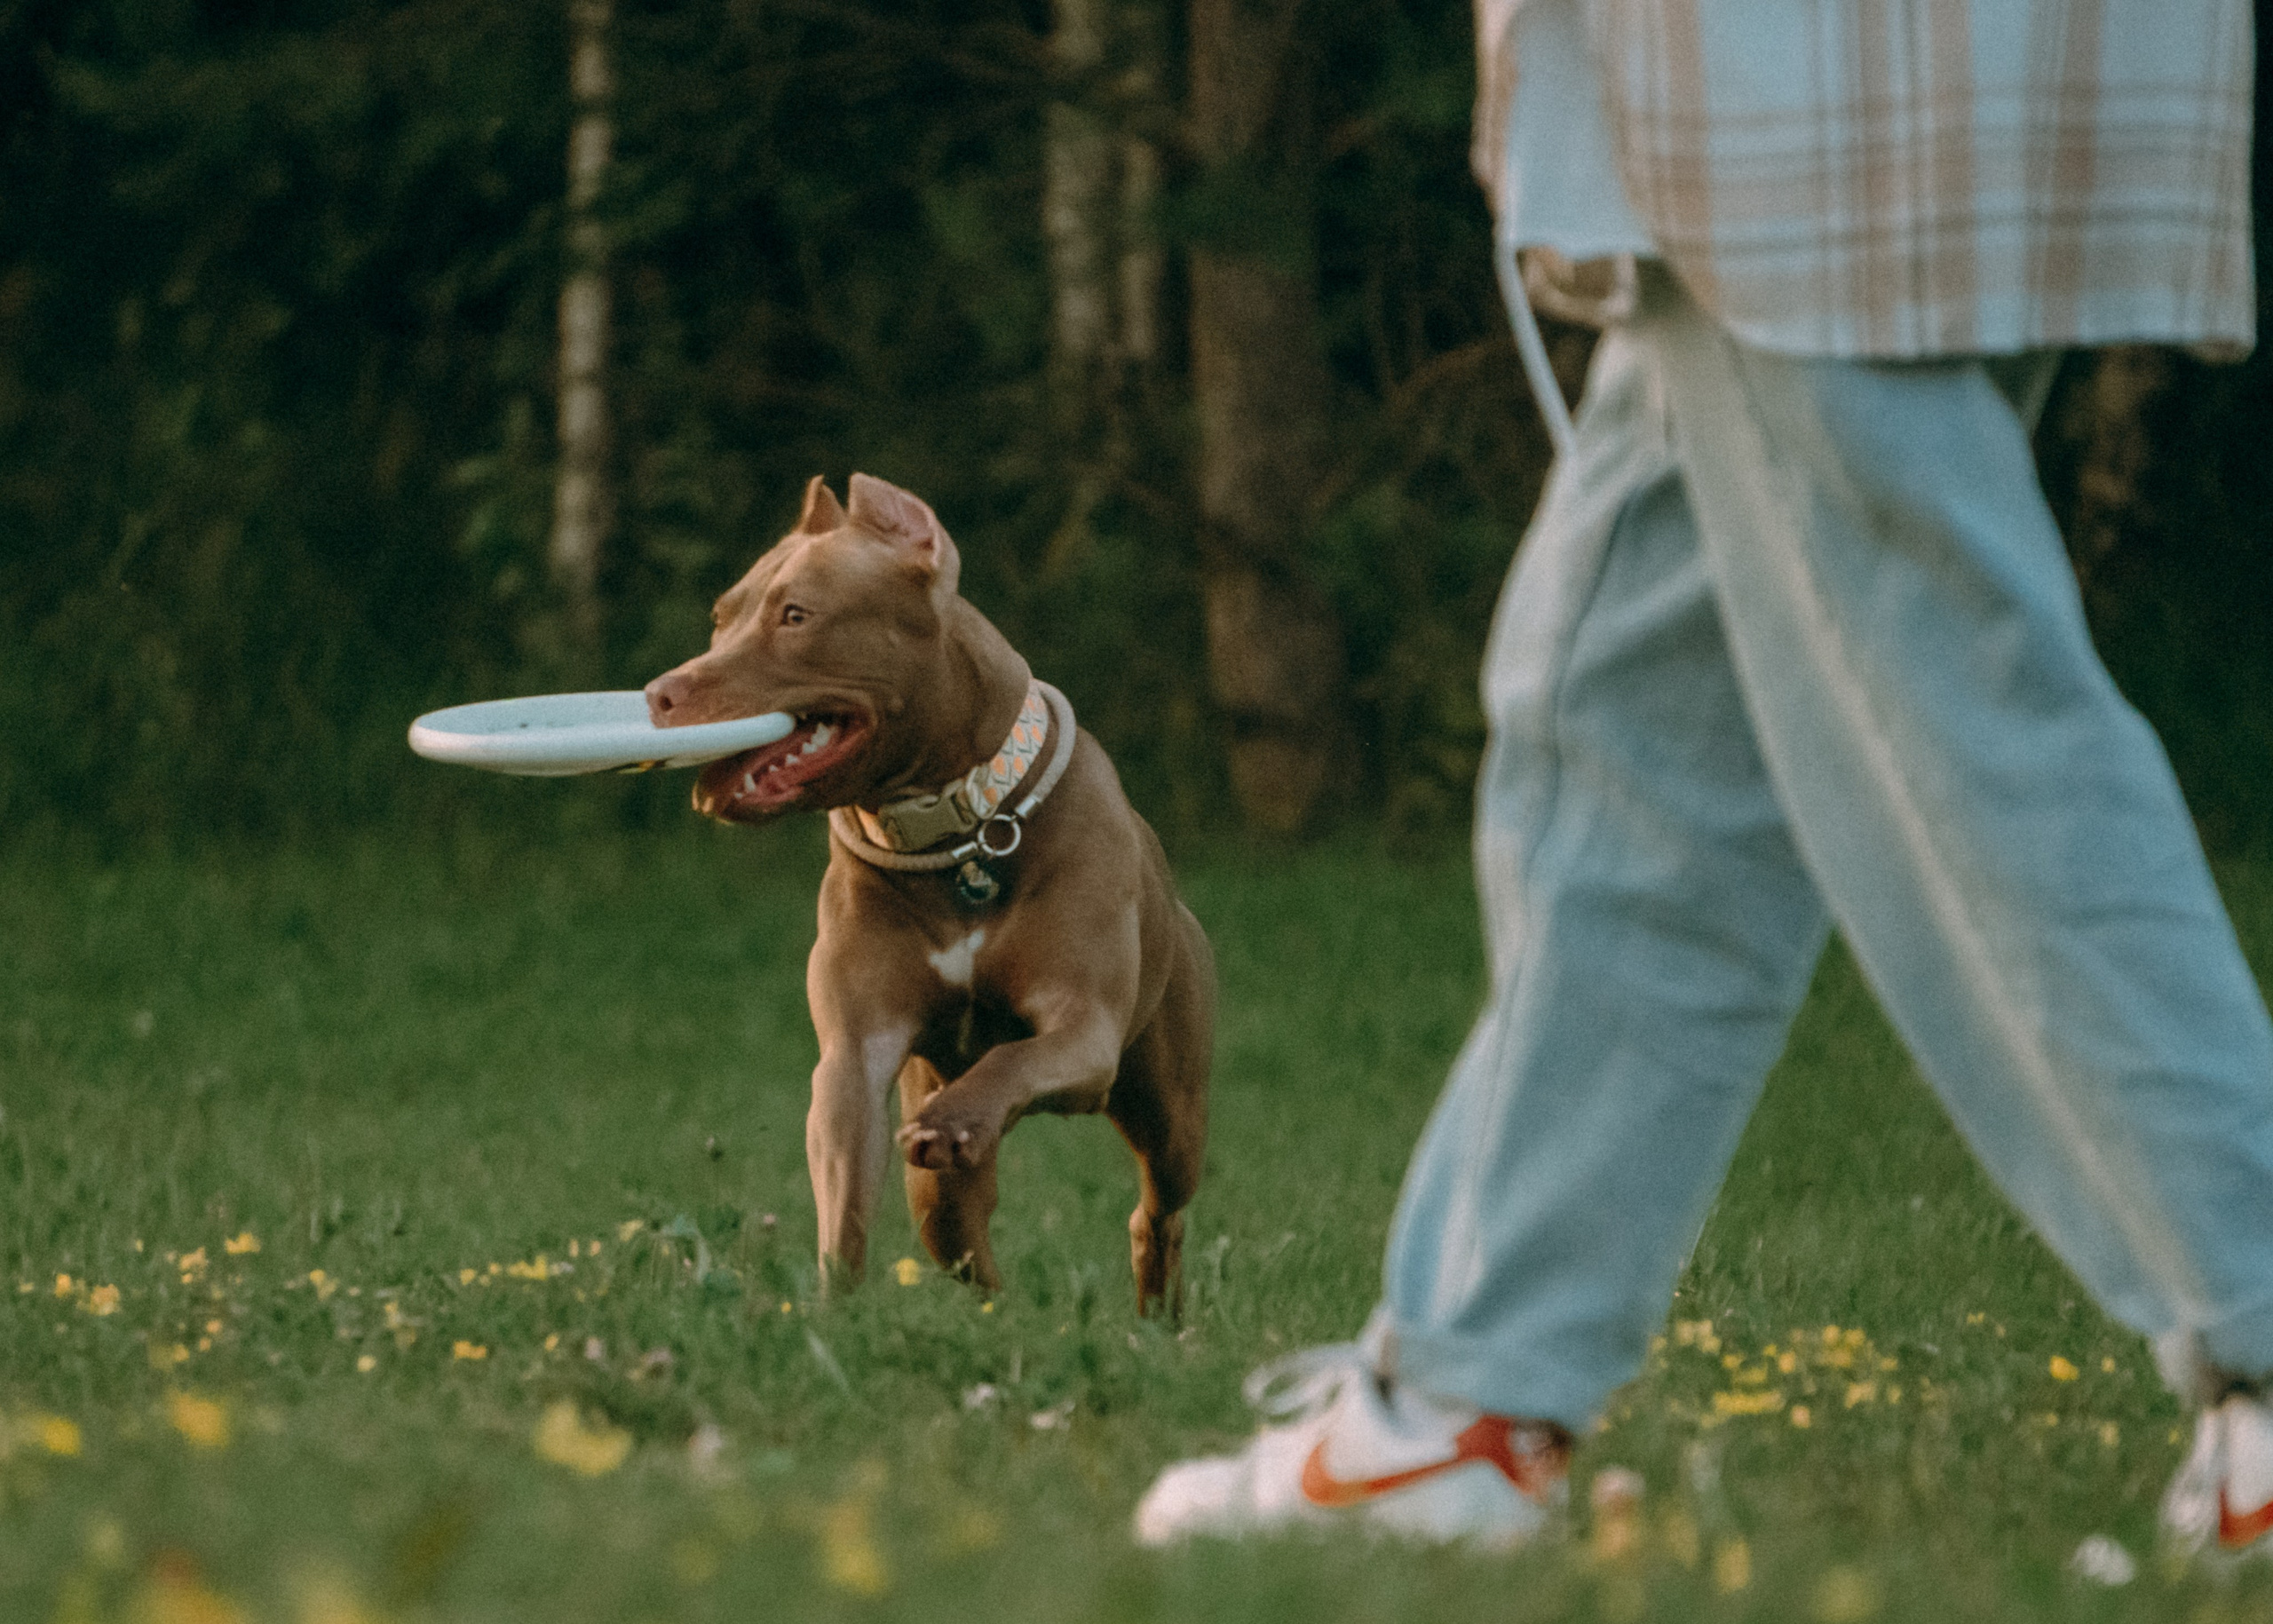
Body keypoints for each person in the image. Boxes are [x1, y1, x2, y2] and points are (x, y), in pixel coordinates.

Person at [1135, 0, 2273, 1553]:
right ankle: (1472, 1389)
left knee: (1947, 703)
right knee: (1634, 713)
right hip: (1834, 78)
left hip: (1817, 69)